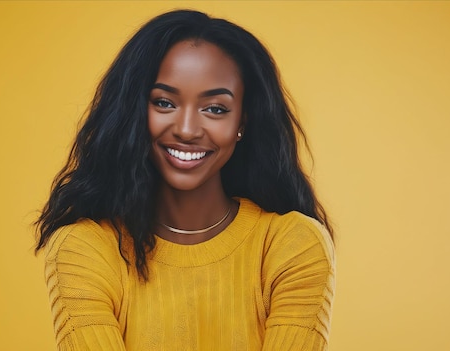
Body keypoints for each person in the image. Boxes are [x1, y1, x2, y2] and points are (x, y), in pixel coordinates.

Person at [35, 9, 335, 351]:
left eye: (216, 109)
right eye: (164, 103)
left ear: (243, 122)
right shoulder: (85, 249)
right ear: (135, 111)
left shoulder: (290, 245)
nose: (187, 130)